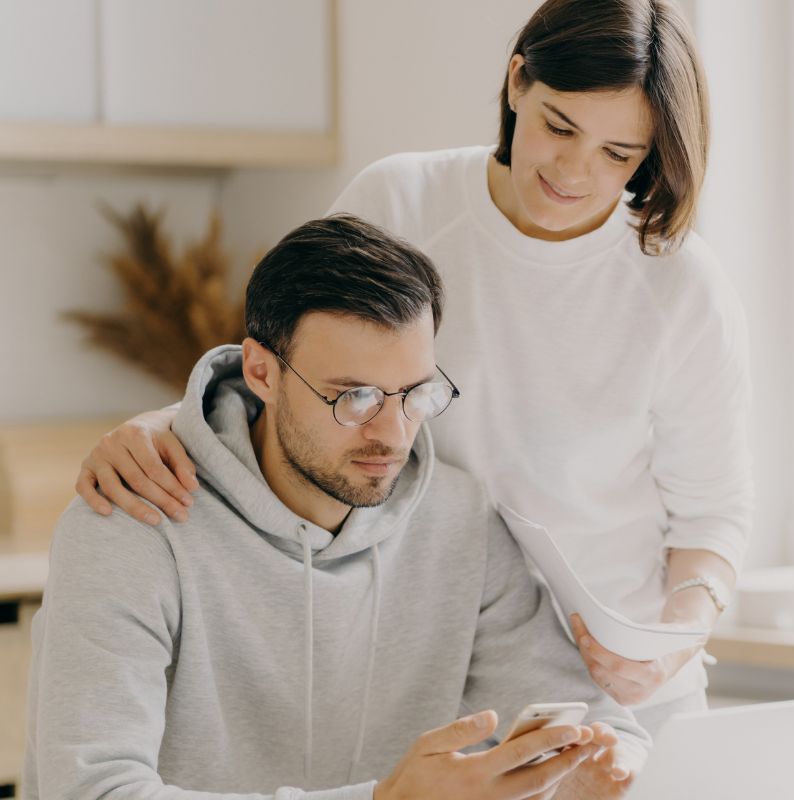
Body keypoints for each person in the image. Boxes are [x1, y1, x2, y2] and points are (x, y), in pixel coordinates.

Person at [74, 0, 752, 735]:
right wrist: (159, 426)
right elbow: (290, 370)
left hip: (620, 694)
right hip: (426, 676)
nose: (574, 171)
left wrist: (674, 642)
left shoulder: (680, 284)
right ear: (517, 80)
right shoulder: (400, 201)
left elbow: (712, 514)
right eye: (560, 126)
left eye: (618, 155)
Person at [26, 215, 649, 799]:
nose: (393, 433)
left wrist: (588, 773)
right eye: (353, 396)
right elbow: (93, 790)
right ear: (262, 373)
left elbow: (603, 727)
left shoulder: (460, 521)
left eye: (415, 393)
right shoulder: (132, 520)